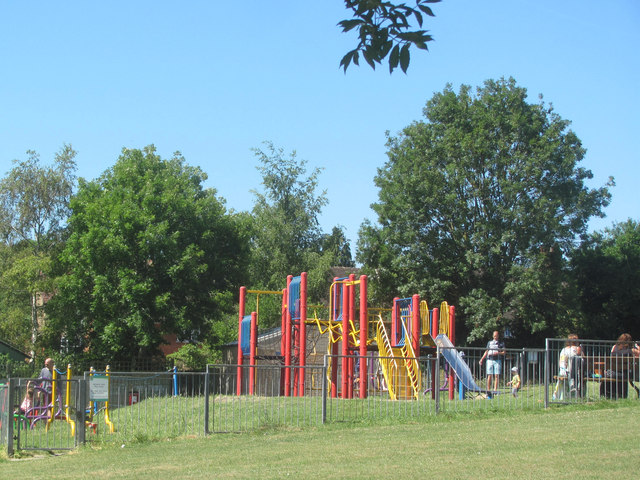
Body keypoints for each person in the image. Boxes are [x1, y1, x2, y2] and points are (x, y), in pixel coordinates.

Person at [553, 334, 583, 400]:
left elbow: (562, 362)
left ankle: (560, 397)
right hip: (579, 372)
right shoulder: (579, 349)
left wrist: (563, 371)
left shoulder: (564, 350)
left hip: (567, 372)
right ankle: (578, 396)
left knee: (562, 380)